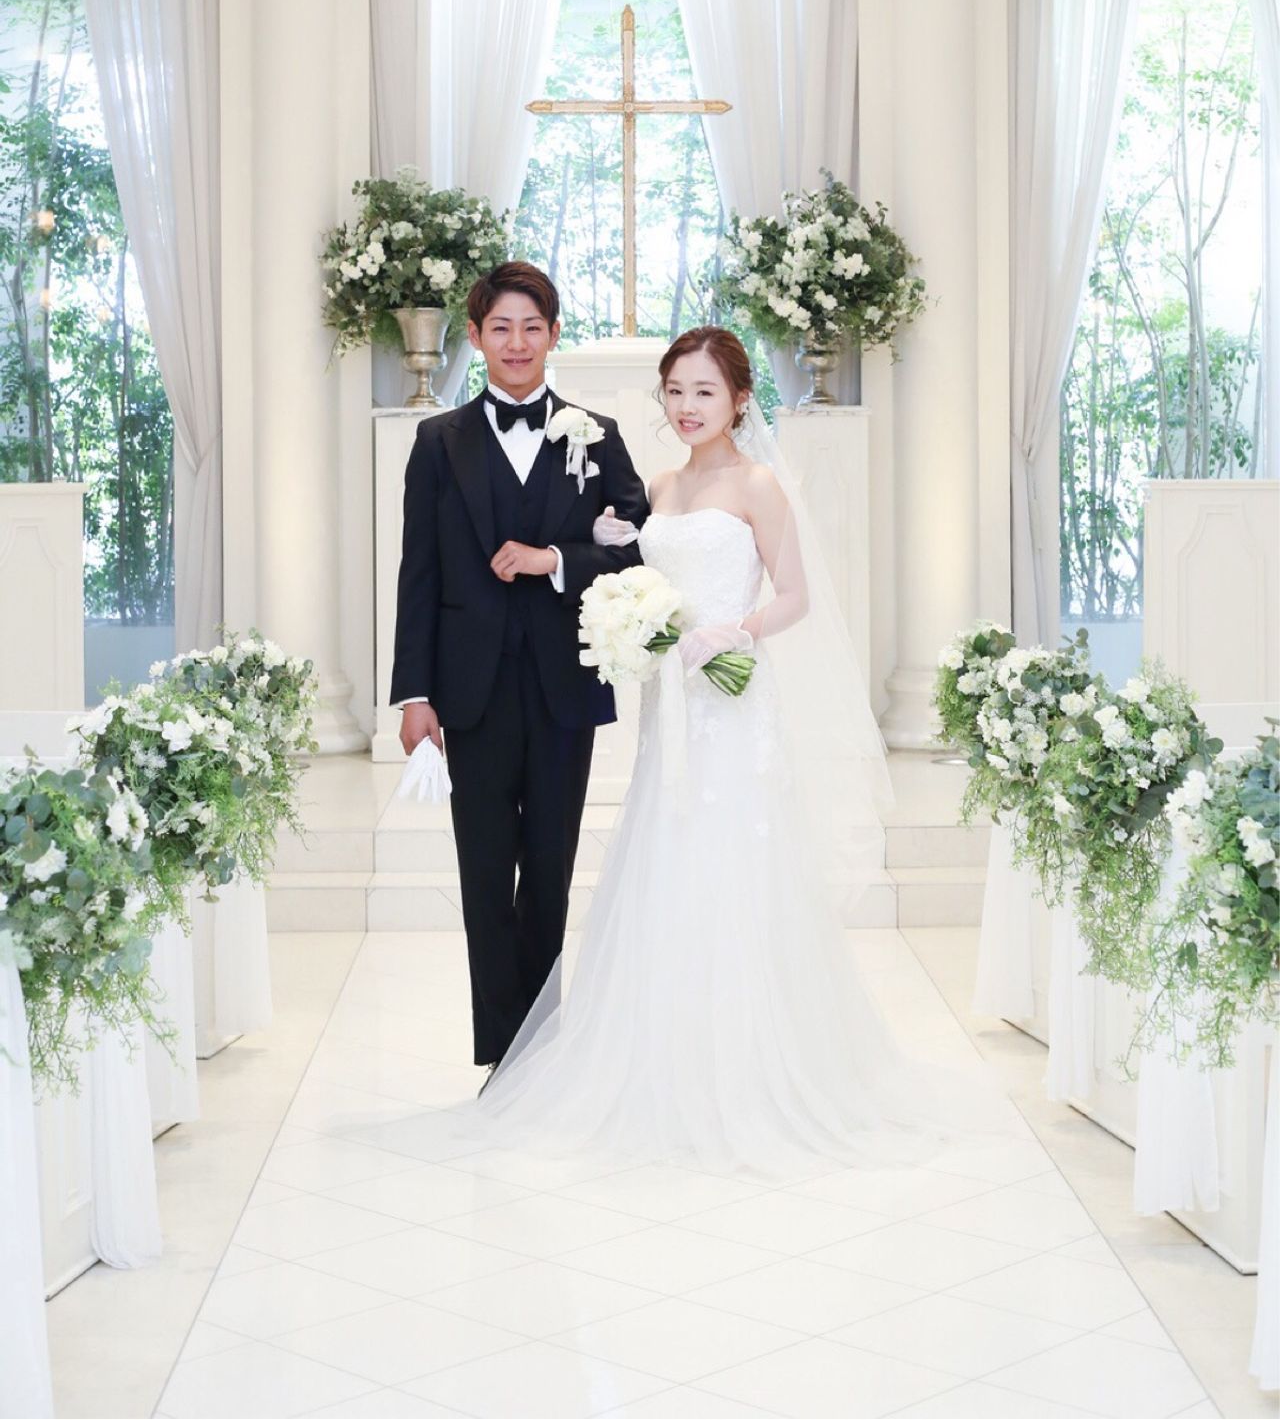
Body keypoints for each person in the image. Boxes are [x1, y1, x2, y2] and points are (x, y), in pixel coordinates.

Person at [467, 325, 1016, 1175]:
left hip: (731, 700)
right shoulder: (659, 487)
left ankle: (749, 1067)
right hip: (671, 709)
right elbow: (639, 578)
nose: (687, 407)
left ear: (739, 399)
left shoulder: (759, 485)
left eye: (704, 392)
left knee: (733, 860)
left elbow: (796, 595)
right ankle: (657, 1064)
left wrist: (737, 631)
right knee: (665, 854)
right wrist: (622, 570)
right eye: (675, 391)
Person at [390, 261, 649, 1076]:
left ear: (553, 334)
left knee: (549, 868)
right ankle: (501, 1059)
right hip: (468, 691)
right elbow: (418, 572)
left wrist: (556, 559)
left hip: (564, 685)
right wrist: (415, 693)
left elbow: (637, 547)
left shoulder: (597, 434)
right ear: (474, 336)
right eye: (500, 327)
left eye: (531, 327)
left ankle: (541, 1056)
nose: (516, 342)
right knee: (482, 870)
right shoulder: (439, 441)